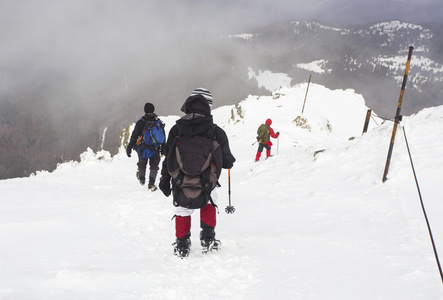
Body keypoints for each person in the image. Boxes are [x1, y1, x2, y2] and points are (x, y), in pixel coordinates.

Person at [159, 88, 235, 257]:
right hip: (207, 181)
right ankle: (208, 239)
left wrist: (164, 179)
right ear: (208, 107)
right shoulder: (216, 132)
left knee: (182, 210)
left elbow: (168, 157)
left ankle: (182, 245)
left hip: (180, 182)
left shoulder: (176, 130)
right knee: (208, 203)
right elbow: (228, 161)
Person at [126, 102, 165, 191]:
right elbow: (163, 136)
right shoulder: (158, 122)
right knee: (154, 165)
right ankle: (151, 184)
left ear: (145, 110)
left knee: (142, 163)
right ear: (153, 110)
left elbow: (134, 135)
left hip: (143, 149)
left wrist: (130, 147)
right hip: (155, 149)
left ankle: (142, 180)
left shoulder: (141, 122)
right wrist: (163, 149)